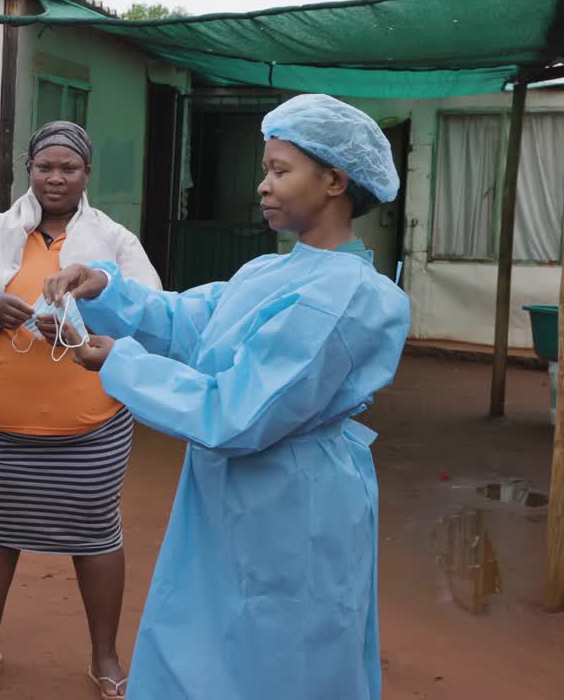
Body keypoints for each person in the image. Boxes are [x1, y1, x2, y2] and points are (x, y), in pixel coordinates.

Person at [44, 94, 411, 700]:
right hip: (231, 497)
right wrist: (103, 289)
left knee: (281, 650)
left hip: (293, 504)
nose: (262, 185)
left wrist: (121, 365)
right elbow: (189, 323)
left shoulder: (350, 295)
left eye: (279, 170)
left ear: (335, 181)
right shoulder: (271, 272)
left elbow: (241, 412)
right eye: (265, 169)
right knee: (208, 638)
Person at [0, 121, 161, 699]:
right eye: (45, 167)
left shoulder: (113, 241)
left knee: (94, 535)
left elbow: (151, 312)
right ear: (28, 171)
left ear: (87, 175)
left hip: (91, 424)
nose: (55, 178)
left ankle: (105, 656)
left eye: (68, 168)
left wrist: (86, 306)